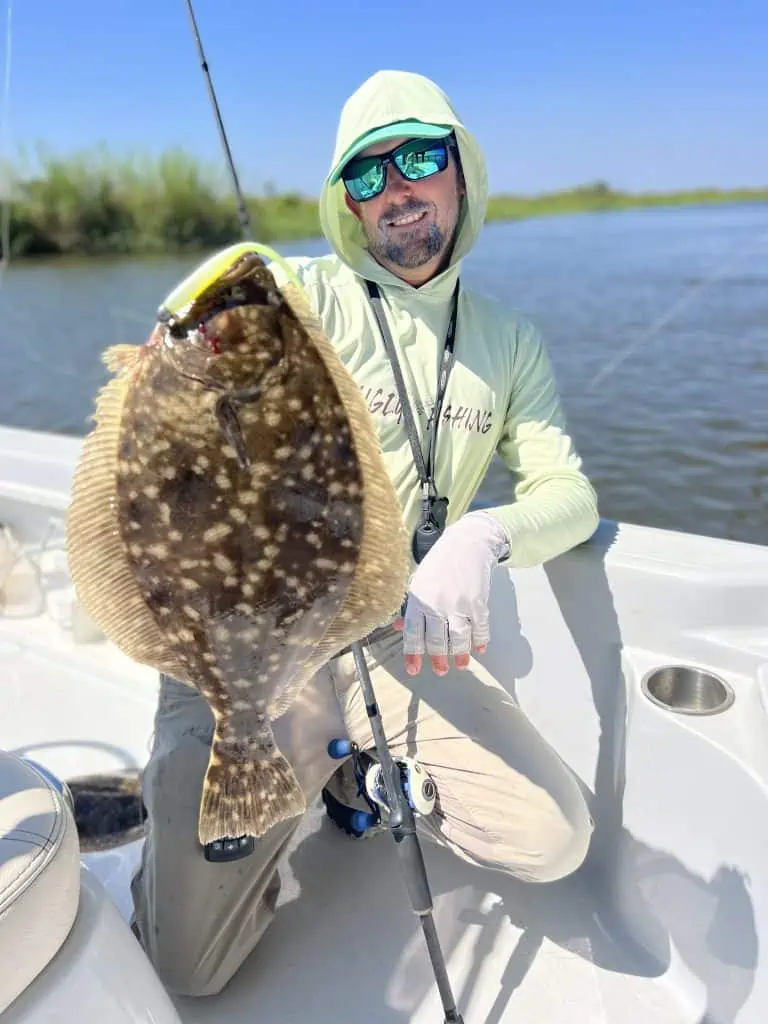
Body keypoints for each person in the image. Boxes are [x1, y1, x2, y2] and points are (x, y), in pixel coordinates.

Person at [130, 68, 600, 997]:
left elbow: (570, 495)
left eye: (420, 157)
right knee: (185, 969)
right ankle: (205, 813)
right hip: (247, 629)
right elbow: (236, 280)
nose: (396, 190)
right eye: (367, 173)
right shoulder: (308, 297)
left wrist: (483, 536)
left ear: (462, 170)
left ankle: (359, 774)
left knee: (556, 836)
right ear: (345, 199)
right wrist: (216, 296)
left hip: (394, 633)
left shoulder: (509, 341)